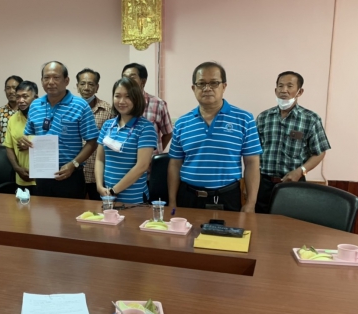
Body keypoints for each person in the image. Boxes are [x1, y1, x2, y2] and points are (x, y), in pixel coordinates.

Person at [168, 62, 262, 212]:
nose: (207, 88)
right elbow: (175, 164)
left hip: (227, 197)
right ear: (193, 88)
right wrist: (172, 200)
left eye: (214, 83)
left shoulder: (244, 119)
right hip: (188, 197)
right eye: (201, 84)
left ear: (224, 86)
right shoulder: (182, 123)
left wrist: (251, 203)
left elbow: (252, 163)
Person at [19, 61, 99, 199]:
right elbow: (29, 135)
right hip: (42, 174)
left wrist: (73, 164)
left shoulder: (80, 106)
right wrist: (24, 141)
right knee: (42, 212)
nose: (51, 82)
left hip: (70, 175)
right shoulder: (35, 105)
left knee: (71, 213)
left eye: (56, 77)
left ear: (66, 81)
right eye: (46, 78)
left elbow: (93, 141)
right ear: (41, 81)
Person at [255, 71, 331, 213]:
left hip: (294, 183)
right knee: (261, 222)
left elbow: (319, 152)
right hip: (263, 184)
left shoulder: (310, 119)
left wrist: (300, 171)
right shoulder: (263, 117)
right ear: (275, 90)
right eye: (280, 86)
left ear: (299, 91)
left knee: (290, 223)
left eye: (290, 86)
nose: (284, 90)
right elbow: (254, 152)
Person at [95, 77, 157, 203]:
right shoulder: (108, 125)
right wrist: (99, 186)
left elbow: (142, 166)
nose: (122, 101)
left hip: (134, 199)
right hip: (107, 197)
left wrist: (114, 191)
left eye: (128, 96)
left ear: (136, 98)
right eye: (117, 96)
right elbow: (100, 159)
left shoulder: (145, 127)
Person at [76, 68, 115, 200]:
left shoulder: (108, 110)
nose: (86, 88)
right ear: (77, 86)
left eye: (91, 84)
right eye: (82, 84)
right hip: (75, 172)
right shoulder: (71, 109)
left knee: (98, 208)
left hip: (98, 175)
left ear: (97, 87)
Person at [122, 63, 173, 152]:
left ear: (143, 81)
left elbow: (168, 133)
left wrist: (155, 151)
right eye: (124, 78)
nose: (127, 81)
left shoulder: (158, 104)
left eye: (132, 77)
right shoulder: (120, 104)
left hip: (150, 159)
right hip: (125, 158)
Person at [3, 81, 38, 192]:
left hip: (43, 179)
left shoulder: (45, 117)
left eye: (25, 96)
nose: (21, 100)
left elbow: (54, 143)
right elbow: (9, 147)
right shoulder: (13, 119)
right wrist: (17, 168)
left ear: (36, 98)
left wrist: (32, 144)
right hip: (22, 178)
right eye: (18, 97)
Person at [0, 75, 23, 145]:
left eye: (14, 88)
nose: (11, 91)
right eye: (8, 88)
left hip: (24, 151)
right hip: (3, 151)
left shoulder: (28, 111)